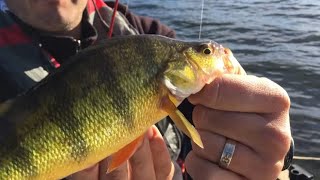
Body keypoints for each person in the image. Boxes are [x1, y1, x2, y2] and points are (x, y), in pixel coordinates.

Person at [0, 0, 293, 179]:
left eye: (203, 52)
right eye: (204, 52)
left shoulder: (151, 36)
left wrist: (269, 160)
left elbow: (243, 153)